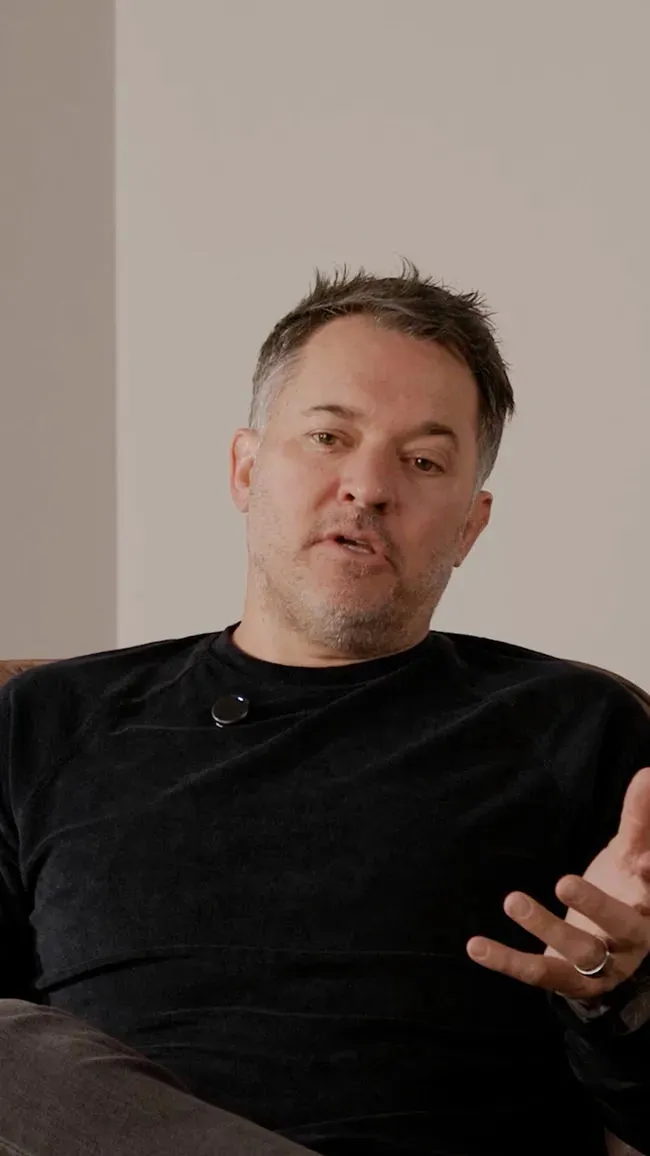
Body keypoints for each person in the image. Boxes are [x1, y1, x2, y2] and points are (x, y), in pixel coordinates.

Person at [1, 262, 649, 1156]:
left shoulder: (578, 729)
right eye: (327, 436)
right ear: (245, 469)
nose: (368, 486)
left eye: (423, 461)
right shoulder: (45, 722)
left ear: (470, 525)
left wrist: (620, 1000)